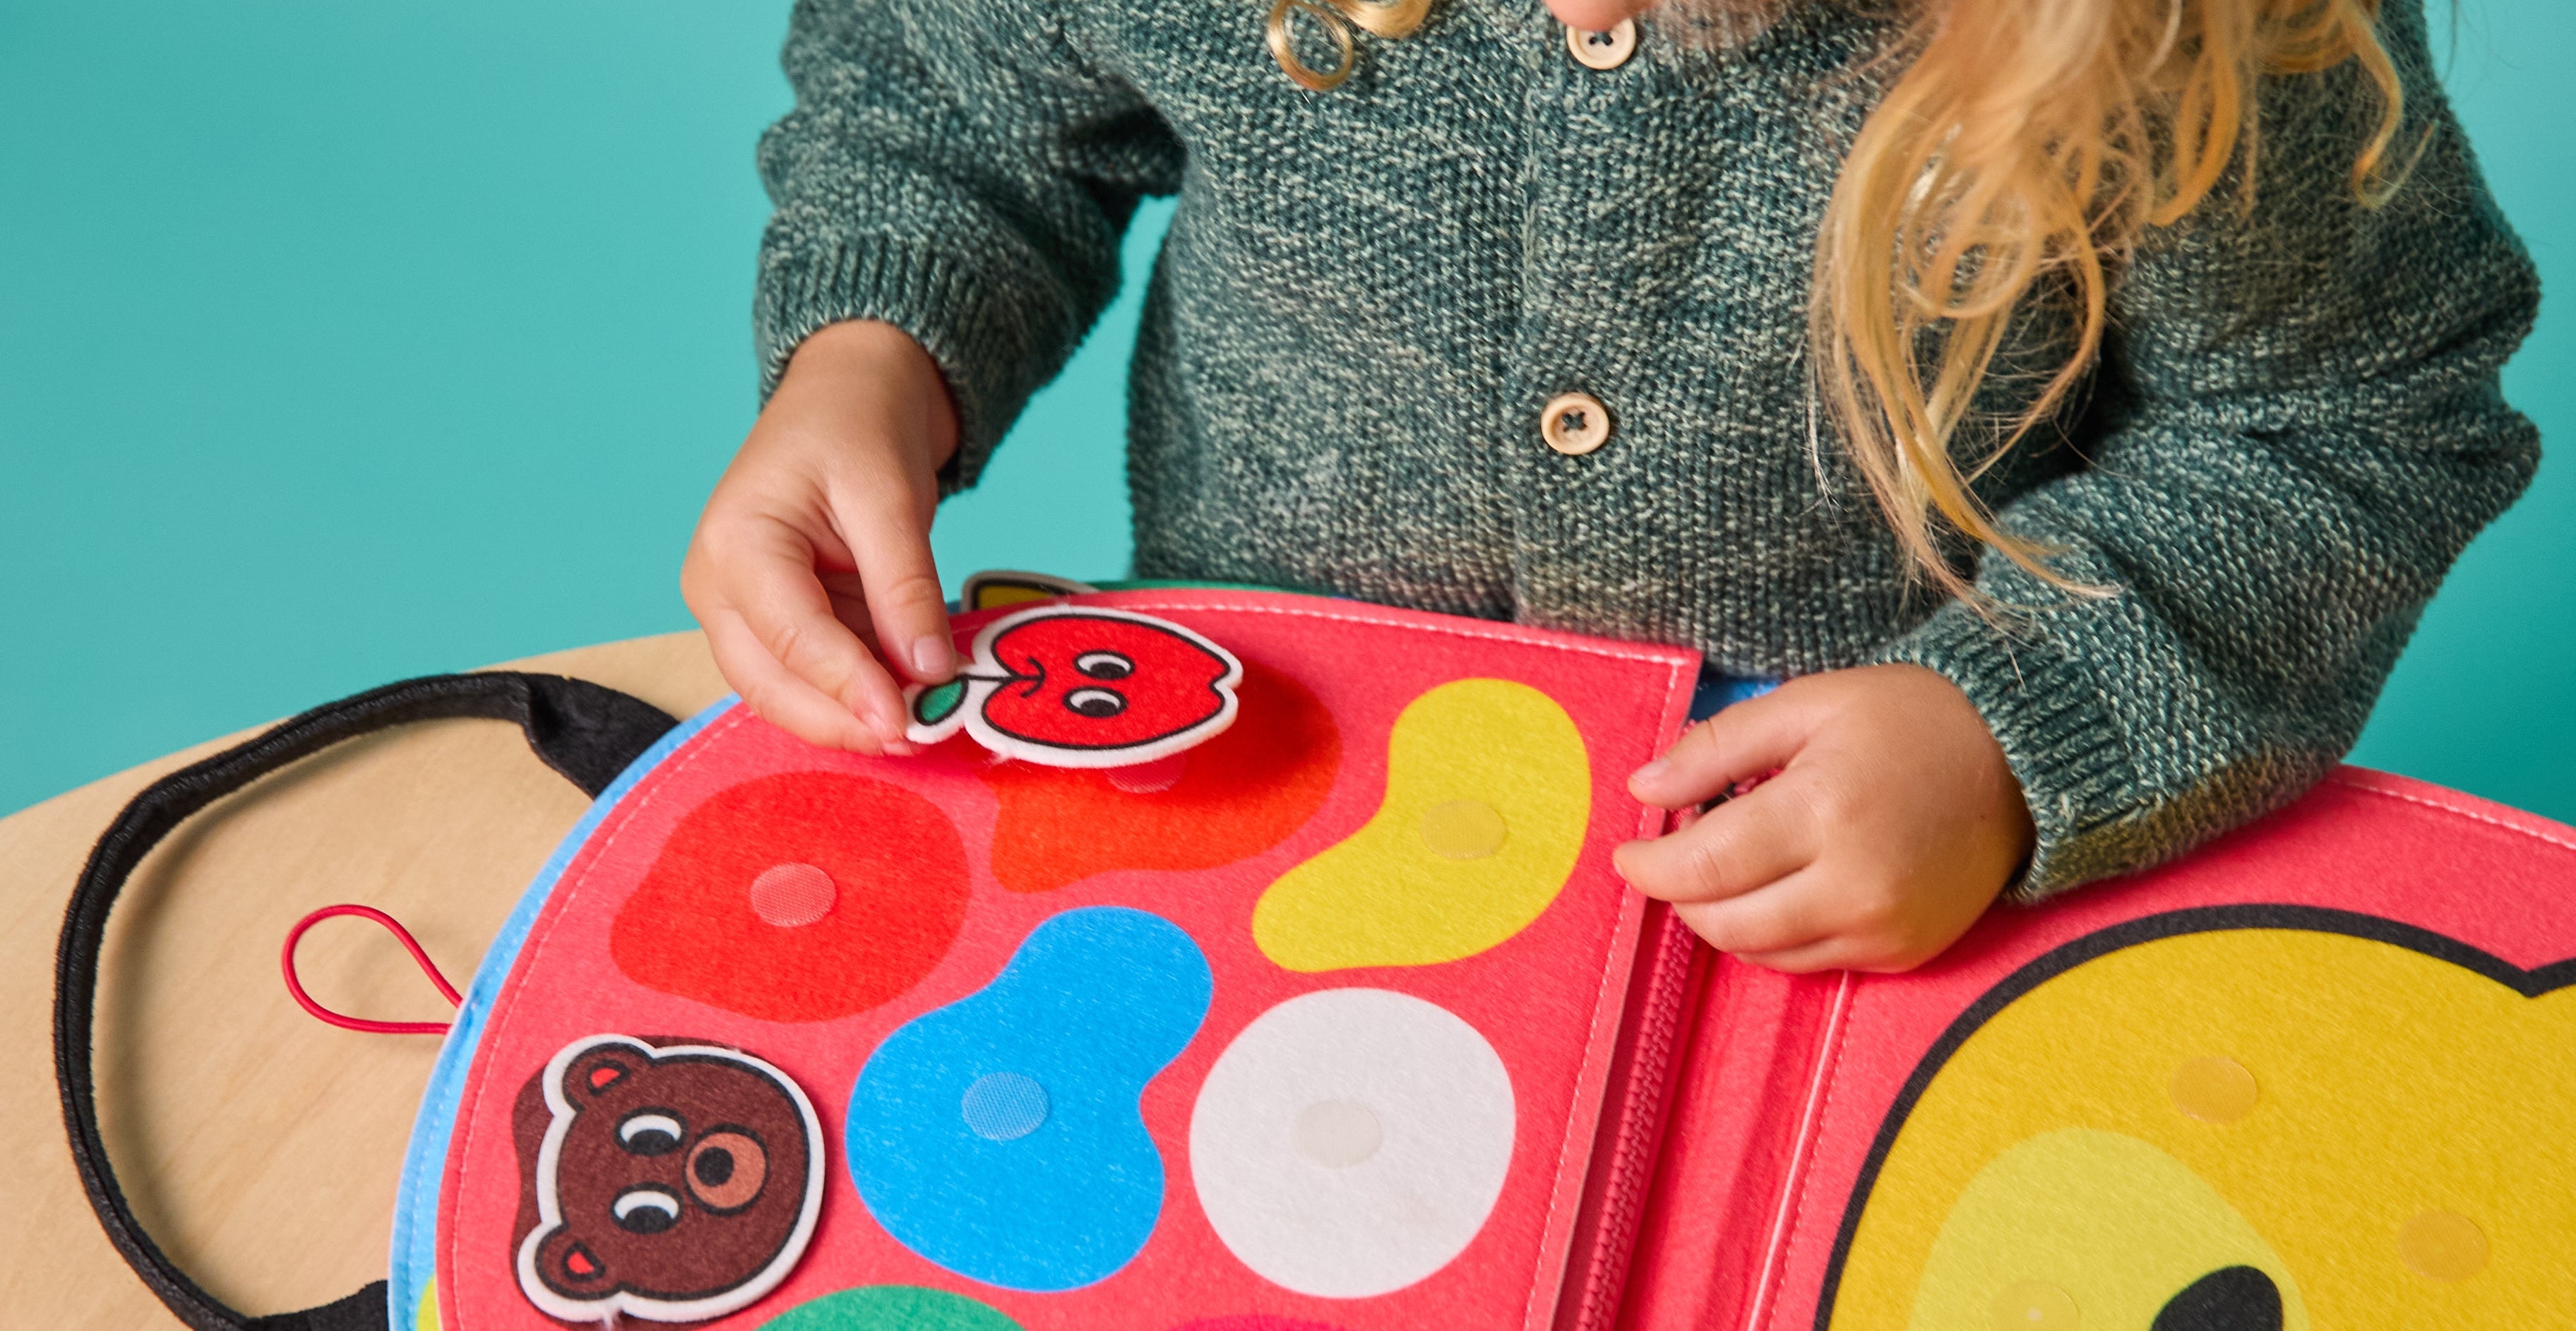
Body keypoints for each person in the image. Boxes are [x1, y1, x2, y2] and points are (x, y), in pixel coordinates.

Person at [683, 0, 2538, 972]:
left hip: (1846, 905)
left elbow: (2346, 423)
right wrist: (873, 353)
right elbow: (947, 99)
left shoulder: (2187, 28)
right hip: (1254, 835)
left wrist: (2008, 740)